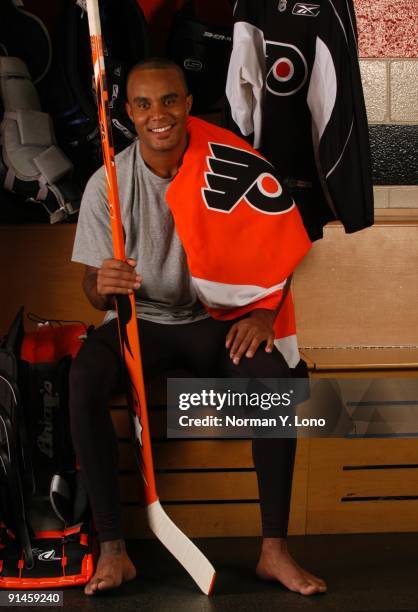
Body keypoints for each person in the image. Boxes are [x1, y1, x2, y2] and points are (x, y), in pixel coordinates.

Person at [70, 58, 327, 597]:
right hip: (143, 323)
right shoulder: (107, 184)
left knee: (275, 384)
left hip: (216, 320)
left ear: (188, 105)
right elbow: (92, 289)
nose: (157, 114)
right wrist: (104, 282)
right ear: (129, 114)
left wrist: (263, 313)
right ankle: (114, 549)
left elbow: (279, 247)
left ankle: (274, 551)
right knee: (85, 375)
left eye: (168, 100)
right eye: (143, 104)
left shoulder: (232, 167)